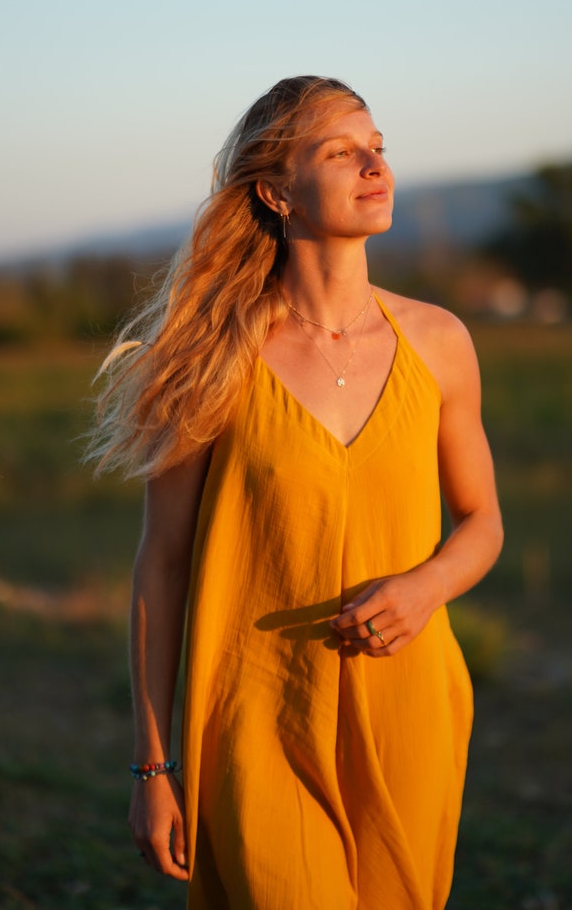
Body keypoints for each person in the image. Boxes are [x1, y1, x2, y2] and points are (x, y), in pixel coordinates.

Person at [90, 76, 503, 910]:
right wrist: (152, 764)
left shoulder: (440, 342)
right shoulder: (210, 358)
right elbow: (161, 567)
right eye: (341, 151)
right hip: (256, 715)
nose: (374, 165)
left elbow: (482, 521)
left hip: (408, 712)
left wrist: (428, 585)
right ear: (277, 191)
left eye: (379, 147)